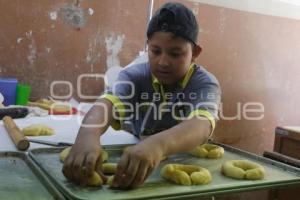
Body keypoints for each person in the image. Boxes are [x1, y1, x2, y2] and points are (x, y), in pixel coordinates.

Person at [62, 2, 221, 189]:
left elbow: (202, 124)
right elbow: (108, 103)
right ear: (148, 47)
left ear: (195, 53)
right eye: (155, 51)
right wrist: (87, 134)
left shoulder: (204, 83)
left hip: (186, 164)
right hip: (140, 156)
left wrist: (158, 145)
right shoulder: (134, 76)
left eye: (175, 54)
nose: (163, 62)